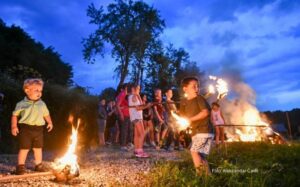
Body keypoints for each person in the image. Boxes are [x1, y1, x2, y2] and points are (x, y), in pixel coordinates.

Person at [11, 78, 53, 175]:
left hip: (39, 129)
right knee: (24, 148)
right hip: (26, 129)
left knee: (38, 148)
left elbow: (46, 114)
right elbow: (15, 115)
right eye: (36, 90)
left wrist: (50, 122)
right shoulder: (21, 104)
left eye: (40, 90)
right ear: (27, 90)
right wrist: (14, 126)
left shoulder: (42, 104)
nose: (39, 92)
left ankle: (38, 165)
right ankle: (20, 167)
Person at [179, 77, 214, 175]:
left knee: (194, 152)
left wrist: (189, 120)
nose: (197, 88)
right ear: (185, 88)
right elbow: (183, 117)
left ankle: (200, 177)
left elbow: (205, 112)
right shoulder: (183, 102)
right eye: (193, 86)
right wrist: (181, 131)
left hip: (204, 130)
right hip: (196, 132)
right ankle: (208, 177)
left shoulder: (200, 98)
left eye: (197, 86)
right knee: (200, 156)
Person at [128, 84, 151, 157]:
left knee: (137, 135)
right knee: (142, 133)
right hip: (136, 117)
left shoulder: (136, 96)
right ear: (133, 89)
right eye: (138, 88)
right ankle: (140, 151)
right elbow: (138, 108)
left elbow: (141, 104)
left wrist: (138, 96)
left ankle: (136, 150)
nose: (139, 90)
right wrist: (147, 106)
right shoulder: (132, 97)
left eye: (139, 88)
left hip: (138, 117)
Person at [116, 84, 132, 151]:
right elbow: (117, 105)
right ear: (125, 88)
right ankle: (123, 146)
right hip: (124, 114)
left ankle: (124, 144)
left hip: (126, 114)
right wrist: (121, 114)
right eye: (128, 87)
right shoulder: (122, 94)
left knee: (126, 130)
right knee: (124, 130)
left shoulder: (124, 95)